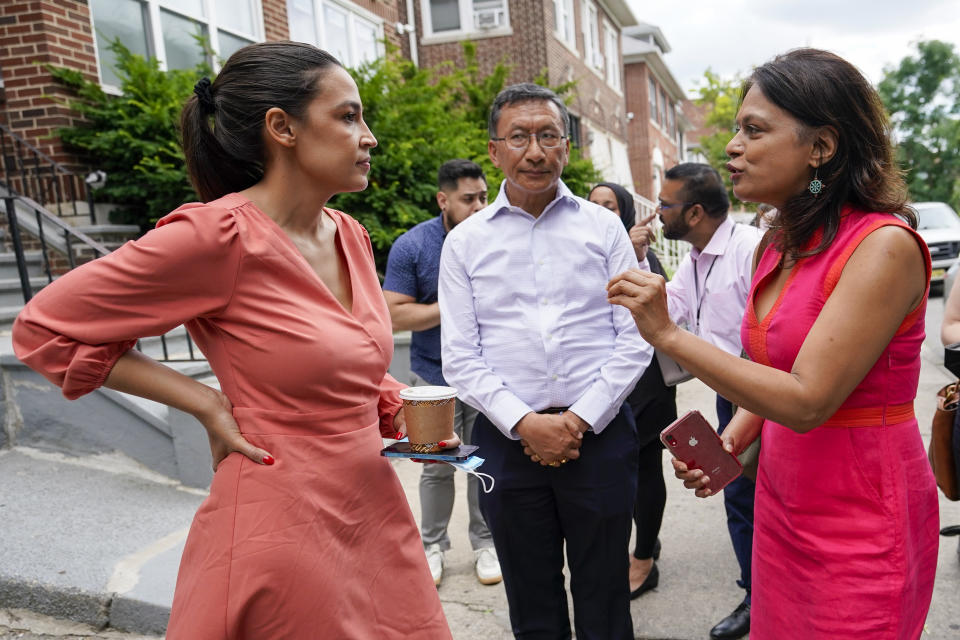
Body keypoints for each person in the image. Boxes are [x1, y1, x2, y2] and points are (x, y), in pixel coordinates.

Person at [11, 42, 452, 639]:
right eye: (348, 116)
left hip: (372, 511)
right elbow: (45, 330)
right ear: (282, 128)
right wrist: (206, 403)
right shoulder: (218, 236)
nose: (369, 136)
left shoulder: (348, 232)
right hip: (282, 525)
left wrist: (395, 399)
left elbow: (339, 355)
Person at [607, 48, 939, 639]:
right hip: (784, 504)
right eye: (737, 128)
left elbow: (809, 398)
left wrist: (668, 335)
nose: (732, 146)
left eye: (754, 130)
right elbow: (772, 374)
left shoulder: (883, 247)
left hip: (860, 511)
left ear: (822, 146)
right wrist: (734, 439)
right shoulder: (778, 244)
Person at [439, 83, 652, 640]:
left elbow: (635, 338)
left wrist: (577, 420)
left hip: (600, 438)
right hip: (508, 444)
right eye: (519, 137)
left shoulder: (604, 228)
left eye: (548, 135)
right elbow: (461, 356)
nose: (535, 151)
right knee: (530, 597)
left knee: (605, 593)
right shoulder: (464, 244)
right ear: (494, 150)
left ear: (566, 145)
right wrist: (526, 422)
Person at [630, 163, 762, 639]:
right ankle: (755, 593)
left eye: (665, 205)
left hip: (765, 396)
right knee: (740, 499)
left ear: (696, 212)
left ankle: (763, 599)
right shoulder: (695, 257)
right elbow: (673, 310)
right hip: (730, 396)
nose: (658, 212)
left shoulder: (750, 250)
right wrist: (640, 260)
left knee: (759, 499)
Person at [382, 158, 501, 587]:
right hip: (433, 377)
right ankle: (433, 546)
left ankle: (485, 543)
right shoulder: (414, 246)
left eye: (484, 197)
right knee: (435, 465)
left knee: (480, 462)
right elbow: (394, 314)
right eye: (468, 199)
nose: (479, 206)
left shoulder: (496, 240)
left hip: (488, 374)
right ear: (443, 200)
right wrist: (450, 305)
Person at [587, 182, 676, 599]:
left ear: (623, 210)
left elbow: (660, 304)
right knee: (613, 471)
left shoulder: (639, 251)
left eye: (610, 205)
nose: (602, 212)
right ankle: (635, 545)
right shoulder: (581, 248)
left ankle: (643, 558)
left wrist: (635, 251)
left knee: (645, 467)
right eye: (594, 205)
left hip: (644, 380)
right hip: (599, 379)